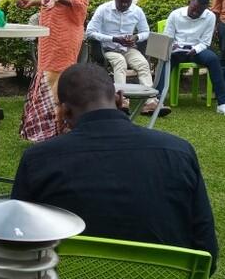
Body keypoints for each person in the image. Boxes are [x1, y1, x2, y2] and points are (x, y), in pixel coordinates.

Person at [12, 63, 218, 275]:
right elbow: (206, 253)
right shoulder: (179, 152)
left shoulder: (38, 160)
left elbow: (17, 247)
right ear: (119, 98)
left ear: (65, 111)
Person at [17, 0, 88, 142]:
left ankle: (59, 129)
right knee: (45, 73)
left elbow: (82, 1)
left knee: (57, 76)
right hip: (48, 30)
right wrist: (33, 2)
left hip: (65, 31)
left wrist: (61, 0)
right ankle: (42, 130)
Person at [85, 0, 169, 116]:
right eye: (121, 2)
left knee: (143, 64)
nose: (124, 5)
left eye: (128, 2)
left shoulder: (137, 11)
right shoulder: (103, 10)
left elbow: (146, 32)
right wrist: (113, 39)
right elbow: (89, 32)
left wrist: (136, 37)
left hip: (128, 48)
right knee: (120, 62)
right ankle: (122, 101)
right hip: (108, 49)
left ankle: (150, 102)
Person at [159, 0, 225, 114]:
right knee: (165, 59)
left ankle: (222, 103)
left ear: (205, 9)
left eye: (199, 11)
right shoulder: (175, 15)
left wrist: (195, 49)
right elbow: (167, 36)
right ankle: (157, 100)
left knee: (213, 59)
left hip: (197, 50)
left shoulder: (210, 17)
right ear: (189, 2)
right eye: (193, 9)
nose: (195, 13)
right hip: (177, 50)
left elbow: (205, 42)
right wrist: (173, 45)